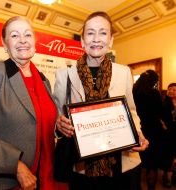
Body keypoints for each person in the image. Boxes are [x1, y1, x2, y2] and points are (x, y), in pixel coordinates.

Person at [0, 16, 66, 190]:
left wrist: (59, 125)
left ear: (34, 41)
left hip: (39, 179)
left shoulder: (43, 80)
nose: (23, 40)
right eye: (15, 35)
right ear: (4, 43)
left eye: (28, 35)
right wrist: (16, 166)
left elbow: (41, 124)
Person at [53, 11, 149, 190]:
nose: (96, 38)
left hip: (121, 164)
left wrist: (139, 133)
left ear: (111, 40)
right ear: (82, 41)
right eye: (90, 33)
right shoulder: (64, 75)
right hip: (82, 166)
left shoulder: (124, 72)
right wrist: (59, 124)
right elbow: (56, 116)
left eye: (103, 33)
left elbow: (132, 112)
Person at [133, 70, 173, 190]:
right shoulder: (154, 93)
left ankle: (138, 186)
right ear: (154, 81)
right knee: (152, 165)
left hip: (137, 130)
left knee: (137, 162)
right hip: (153, 131)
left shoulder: (133, 92)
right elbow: (162, 112)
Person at [163, 83, 176, 185]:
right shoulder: (163, 102)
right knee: (168, 155)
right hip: (168, 134)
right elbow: (159, 117)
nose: (171, 91)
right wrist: (163, 125)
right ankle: (167, 178)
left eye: (174, 90)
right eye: (169, 89)